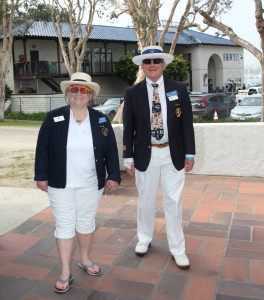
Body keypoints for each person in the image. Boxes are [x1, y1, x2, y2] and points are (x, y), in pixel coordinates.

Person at [34, 72, 121, 293]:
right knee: (64, 224)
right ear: (67, 93)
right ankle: (65, 271)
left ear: (90, 95)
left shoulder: (100, 119)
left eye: (83, 90)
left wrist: (113, 175)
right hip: (60, 183)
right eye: (74, 90)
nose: (78, 94)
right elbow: (42, 149)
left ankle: (85, 259)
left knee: (85, 222)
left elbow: (111, 148)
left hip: (91, 184)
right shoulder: (53, 118)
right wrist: (41, 175)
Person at [123, 46, 195, 269]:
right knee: (146, 200)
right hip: (146, 153)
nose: (151, 64)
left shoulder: (178, 89)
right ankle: (144, 239)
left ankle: (178, 249)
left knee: (173, 202)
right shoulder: (132, 92)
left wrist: (190, 153)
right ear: (142, 66)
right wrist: (128, 156)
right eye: (147, 61)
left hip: (173, 153)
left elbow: (186, 124)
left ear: (163, 64)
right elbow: (128, 127)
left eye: (156, 60)